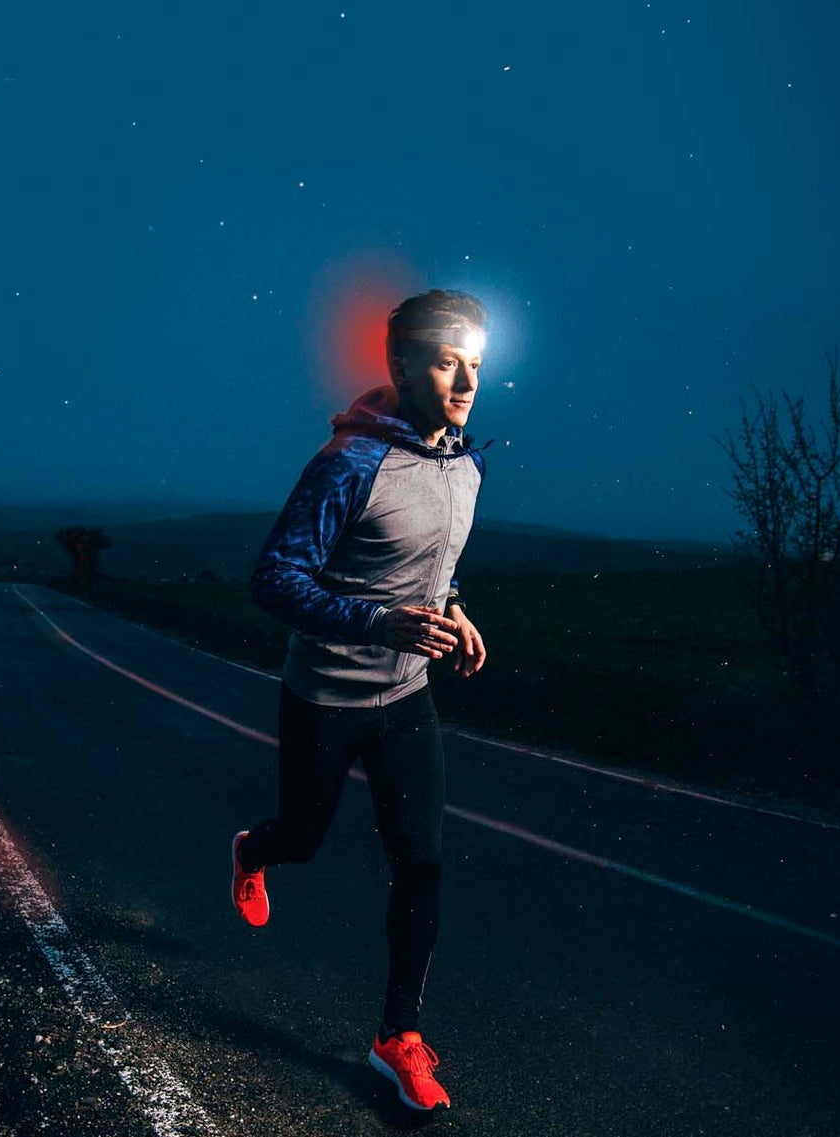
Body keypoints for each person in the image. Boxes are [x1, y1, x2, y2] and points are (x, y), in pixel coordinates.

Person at [231, 288, 490, 1113]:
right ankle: (253, 850)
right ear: (404, 364)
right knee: (303, 837)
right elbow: (273, 578)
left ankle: (396, 1039)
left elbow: (434, 563)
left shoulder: (467, 463)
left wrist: (451, 608)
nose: (464, 382)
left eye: (476, 365)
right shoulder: (348, 462)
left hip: (406, 698)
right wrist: (378, 621)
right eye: (448, 362)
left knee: (421, 861)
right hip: (326, 696)